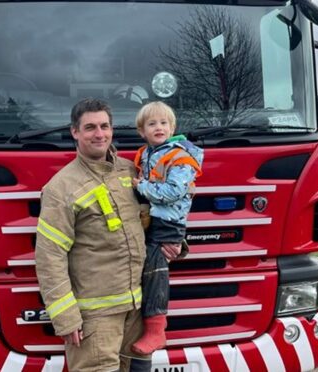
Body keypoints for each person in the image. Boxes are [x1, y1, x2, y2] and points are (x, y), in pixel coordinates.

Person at [35, 98, 163, 371]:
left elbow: (151, 220)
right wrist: (66, 318)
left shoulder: (129, 170)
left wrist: (176, 242)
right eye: (90, 127)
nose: (99, 134)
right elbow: (49, 257)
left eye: (104, 126)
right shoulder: (61, 188)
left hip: (137, 309)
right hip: (96, 320)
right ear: (75, 132)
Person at [131, 101, 204, 355]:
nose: (159, 127)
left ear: (172, 127)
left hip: (169, 222)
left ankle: (156, 330)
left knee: (155, 269)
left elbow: (173, 192)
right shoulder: (147, 153)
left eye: (164, 123)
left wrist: (141, 187)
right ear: (142, 131)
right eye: (152, 124)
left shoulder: (181, 157)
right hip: (153, 219)